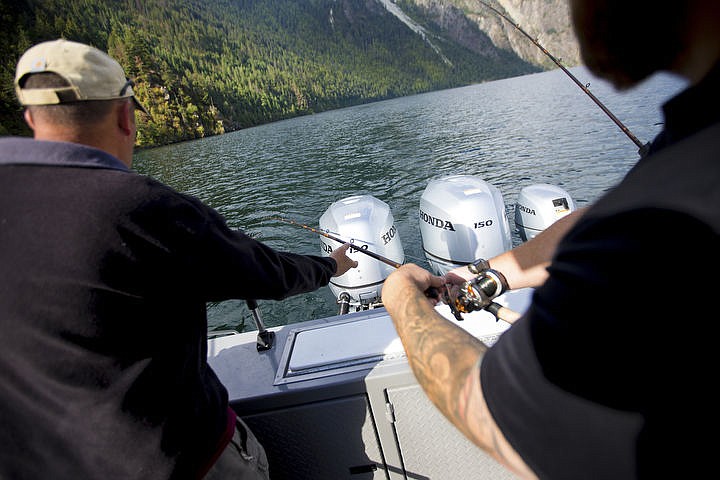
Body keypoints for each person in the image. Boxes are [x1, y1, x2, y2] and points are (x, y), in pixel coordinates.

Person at [381, 1, 720, 479]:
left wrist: (401, 302)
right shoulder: (693, 151)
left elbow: (491, 408)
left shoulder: (673, 218)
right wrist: (489, 275)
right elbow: (606, 219)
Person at [0, 39, 358, 479]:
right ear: (124, 116)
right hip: (179, 462)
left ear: (31, 118)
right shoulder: (145, 209)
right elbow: (266, 273)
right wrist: (331, 265)